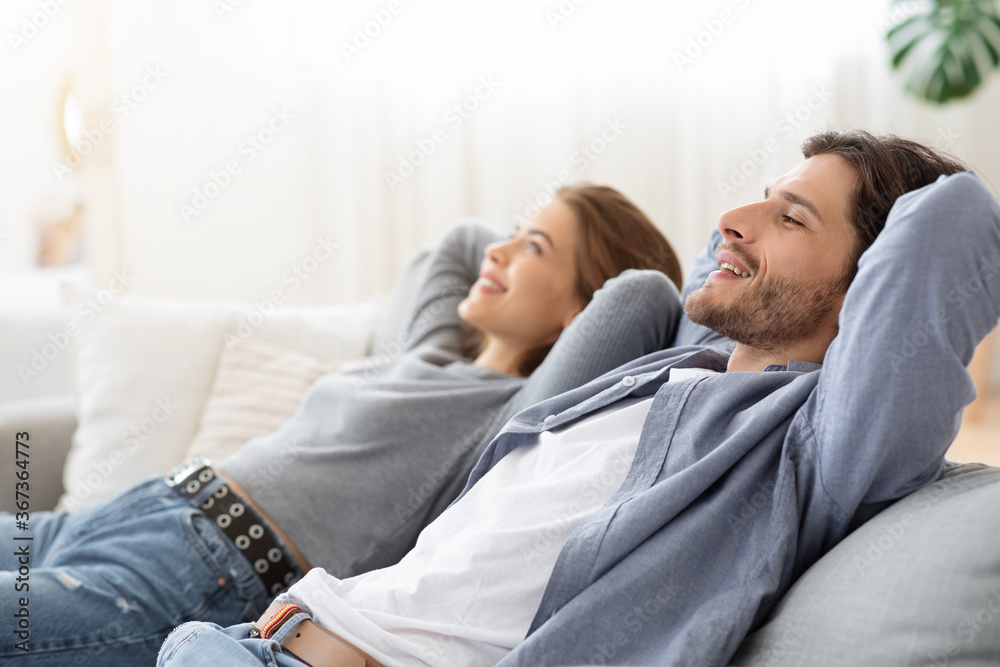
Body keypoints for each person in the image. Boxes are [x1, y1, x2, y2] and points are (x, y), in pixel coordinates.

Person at [157, 129, 1000, 667]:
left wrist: (881, 195)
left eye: (792, 219)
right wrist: (780, 224)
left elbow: (954, 222)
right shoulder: (670, 372)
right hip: (246, 636)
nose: (735, 219)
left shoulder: (809, 442)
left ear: (870, 289)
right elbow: (650, 290)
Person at [0, 185, 689, 666]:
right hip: (129, 513)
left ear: (581, 312)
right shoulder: (432, 354)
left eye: (531, 247)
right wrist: (533, 237)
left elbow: (645, 296)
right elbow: (455, 246)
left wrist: (576, 243)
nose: (497, 254)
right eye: (509, 238)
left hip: (199, 573)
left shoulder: (511, 418)